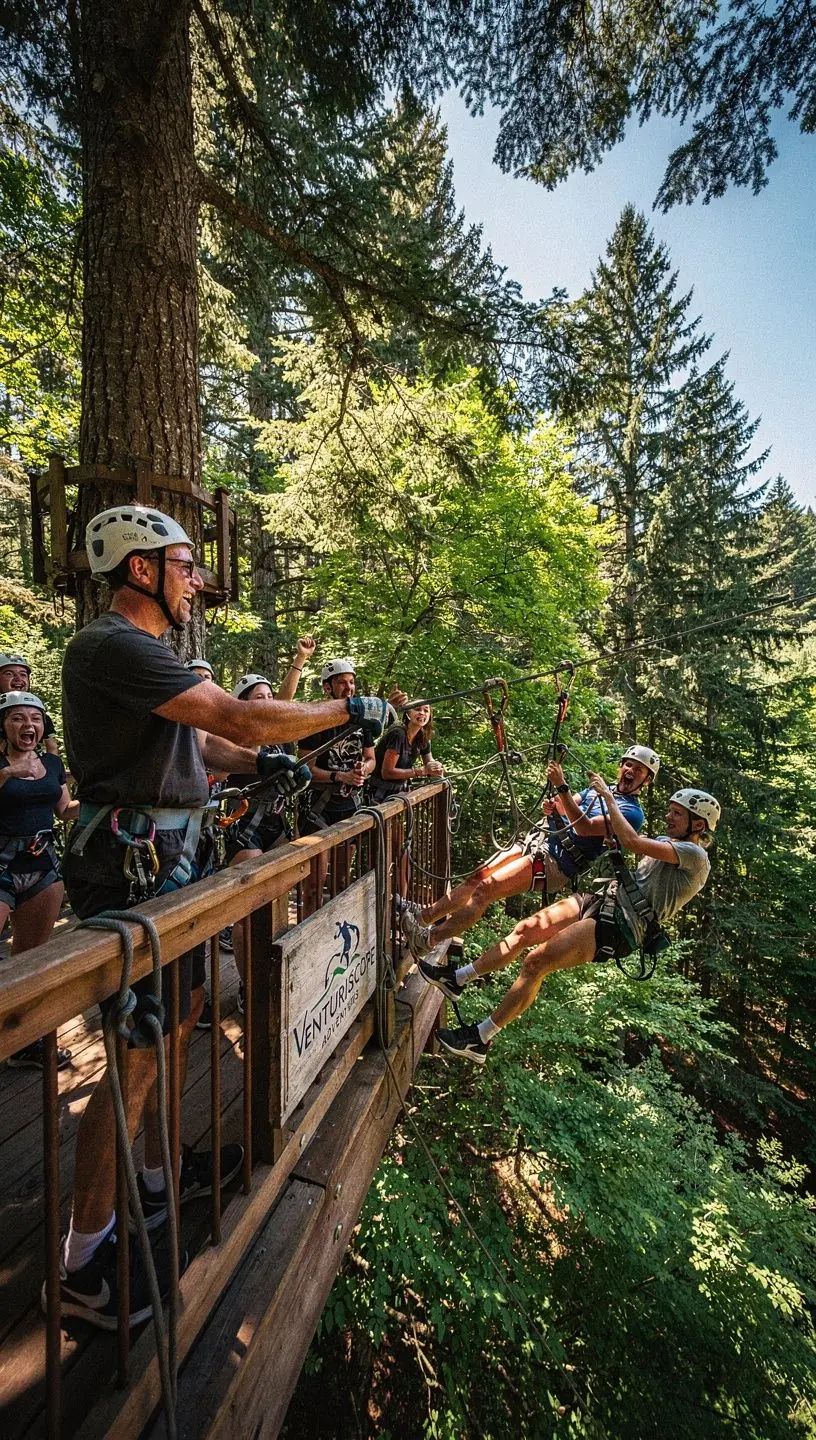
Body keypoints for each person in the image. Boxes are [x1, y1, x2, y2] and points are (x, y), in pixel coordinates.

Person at [51, 505, 399, 1329]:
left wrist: (263, 760)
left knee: (185, 1011)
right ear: (140, 570)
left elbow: (210, 743)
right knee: (138, 1050)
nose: (196, 581)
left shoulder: (150, 656)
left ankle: (155, 1175)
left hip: (171, 862)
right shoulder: (114, 644)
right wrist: (347, 713)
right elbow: (235, 714)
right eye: (184, 566)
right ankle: (83, 1261)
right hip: (133, 869)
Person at [422, 779, 720, 1064]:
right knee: (525, 930)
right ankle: (457, 978)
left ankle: (481, 1038)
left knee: (536, 963)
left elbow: (632, 840)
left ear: (697, 824)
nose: (668, 816)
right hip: (605, 902)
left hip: (621, 926)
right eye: (670, 810)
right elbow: (639, 870)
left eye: (676, 813)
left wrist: (606, 796)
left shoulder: (694, 855)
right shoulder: (671, 843)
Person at [402, 746, 659, 959]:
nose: (630, 771)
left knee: (485, 891)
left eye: (638, 770)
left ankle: (429, 940)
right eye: (628, 765)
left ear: (646, 781)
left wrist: (562, 787)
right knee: (476, 879)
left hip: (557, 862)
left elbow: (583, 827)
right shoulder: (599, 790)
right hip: (542, 842)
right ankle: (423, 918)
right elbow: (566, 807)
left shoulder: (631, 813)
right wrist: (554, 805)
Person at [223, 640, 316, 1012]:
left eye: (267, 696)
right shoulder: (234, 739)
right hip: (244, 828)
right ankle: (249, 986)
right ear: (243, 704)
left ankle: (274, 978)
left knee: (277, 904)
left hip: (275, 826)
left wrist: (299, 661)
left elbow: (286, 704)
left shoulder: (276, 737)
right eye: (256, 697)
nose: (265, 702)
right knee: (249, 911)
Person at [1, 691, 77, 1069]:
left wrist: (102, 794)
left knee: (31, 959)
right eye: (17, 718)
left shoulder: (51, 762)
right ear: (3, 724)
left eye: (34, 718)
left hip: (43, 866)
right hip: (1, 864)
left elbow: (65, 811)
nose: (27, 725)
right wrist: (8, 773)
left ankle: (22, 1042)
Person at [298, 657, 379, 911]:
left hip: (348, 806)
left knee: (341, 880)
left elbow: (371, 758)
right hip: (318, 808)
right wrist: (339, 776)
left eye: (352, 682)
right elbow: (306, 767)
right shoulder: (315, 721)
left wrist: (362, 771)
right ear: (327, 687)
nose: (349, 687)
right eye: (342, 682)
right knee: (314, 886)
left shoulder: (361, 720)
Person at [368, 703, 445, 898]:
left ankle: (400, 900)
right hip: (379, 797)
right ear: (407, 714)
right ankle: (384, 898)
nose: (422, 713)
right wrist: (420, 772)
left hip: (395, 798)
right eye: (418, 709)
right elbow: (387, 772)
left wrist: (436, 769)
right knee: (388, 850)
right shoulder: (398, 735)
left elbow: (429, 762)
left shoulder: (421, 736)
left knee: (402, 850)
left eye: (426, 710)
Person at [0, 653, 63, 759]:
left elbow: (52, 747)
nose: (18, 678)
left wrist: (52, 770)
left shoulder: (38, 713)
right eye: (9, 674)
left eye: (23, 674)